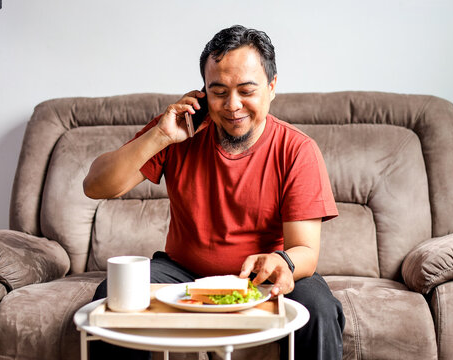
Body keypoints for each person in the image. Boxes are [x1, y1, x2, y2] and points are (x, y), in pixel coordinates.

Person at [83, 24, 344, 360]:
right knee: (114, 294)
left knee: (320, 308)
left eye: (247, 91)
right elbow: (96, 186)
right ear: (203, 92)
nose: (233, 106)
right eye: (219, 92)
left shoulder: (297, 150)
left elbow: (305, 249)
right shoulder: (177, 130)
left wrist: (282, 261)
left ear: (272, 87)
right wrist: (160, 137)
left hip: (263, 275)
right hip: (181, 272)